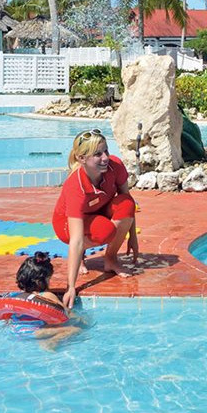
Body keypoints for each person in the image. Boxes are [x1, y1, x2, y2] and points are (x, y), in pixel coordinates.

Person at [54, 130, 139, 308]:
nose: (105, 158)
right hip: (66, 225)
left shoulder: (115, 166)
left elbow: (128, 202)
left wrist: (133, 237)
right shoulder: (75, 186)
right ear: (81, 158)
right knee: (104, 231)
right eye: (98, 154)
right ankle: (79, 259)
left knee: (126, 203)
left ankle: (110, 258)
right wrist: (71, 287)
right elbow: (76, 240)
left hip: (97, 211)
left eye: (106, 151)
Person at [12, 251, 82, 350]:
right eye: (49, 279)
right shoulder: (47, 295)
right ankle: (51, 342)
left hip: (16, 330)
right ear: (40, 281)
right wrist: (80, 318)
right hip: (37, 332)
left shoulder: (18, 296)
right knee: (76, 330)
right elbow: (66, 313)